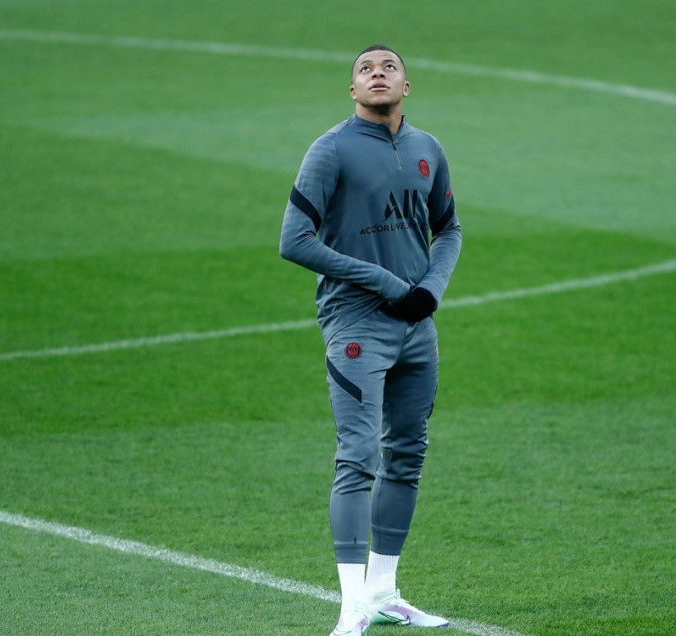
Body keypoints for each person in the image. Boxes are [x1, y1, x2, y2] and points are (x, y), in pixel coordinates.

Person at [279, 44, 462, 636]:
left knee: (408, 455)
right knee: (358, 457)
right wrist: (386, 282)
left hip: (416, 326)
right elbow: (294, 240)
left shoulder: (427, 149)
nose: (377, 73)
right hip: (356, 324)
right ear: (352, 91)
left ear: (407, 86)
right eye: (365, 69)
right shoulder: (331, 149)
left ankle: (384, 593)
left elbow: (449, 229)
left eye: (388, 68)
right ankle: (350, 607)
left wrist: (430, 287)